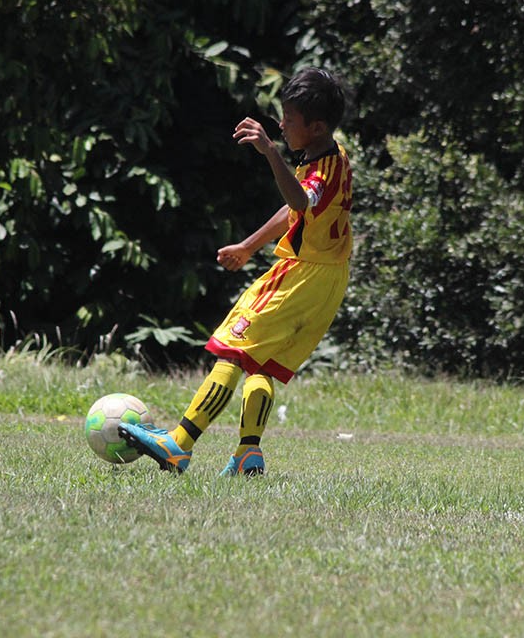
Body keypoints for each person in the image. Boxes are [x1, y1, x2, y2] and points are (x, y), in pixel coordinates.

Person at [120, 67, 351, 475]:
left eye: (289, 121)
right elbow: (297, 212)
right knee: (260, 364)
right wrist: (248, 246)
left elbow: (298, 200)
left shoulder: (317, 171)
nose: (281, 125)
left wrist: (269, 152)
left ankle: (179, 444)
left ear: (315, 127)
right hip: (327, 280)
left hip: (299, 276)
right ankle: (248, 455)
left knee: (231, 349)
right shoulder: (333, 156)